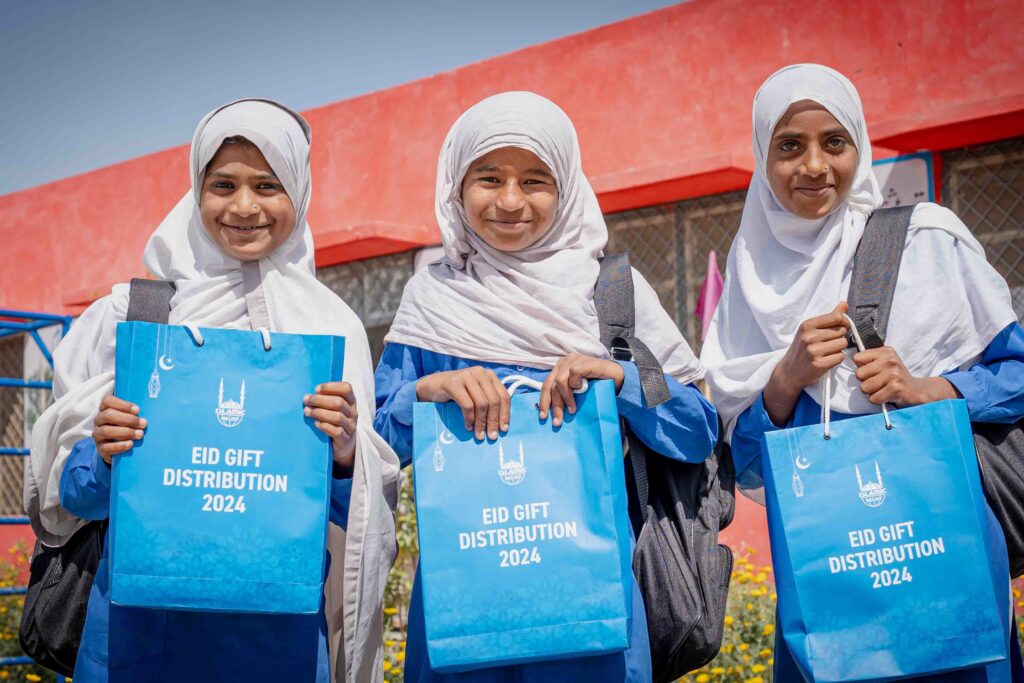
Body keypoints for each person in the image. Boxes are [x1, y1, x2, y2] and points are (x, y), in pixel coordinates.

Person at [25, 99, 400, 683]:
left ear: (298, 194)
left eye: (268, 185)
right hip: (138, 642)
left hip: (277, 648)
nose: (244, 206)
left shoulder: (330, 328)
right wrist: (101, 453)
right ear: (196, 187)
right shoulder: (134, 316)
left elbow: (355, 518)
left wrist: (348, 453)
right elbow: (69, 501)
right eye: (223, 184)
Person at [373, 91, 717, 682]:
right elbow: (378, 444)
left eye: (535, 180)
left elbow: (697, 433)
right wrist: (425, 392)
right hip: (465, 602)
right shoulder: (432, 299)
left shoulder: (614, 293)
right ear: (456, 186)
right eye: (488, 178)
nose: (510, 202)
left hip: (592, 610)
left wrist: (620, 378)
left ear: (567, 189)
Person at [700, 63, 1024, 681]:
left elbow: (1017, 371)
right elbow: (740, 461)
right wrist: (784, 379)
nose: (814, 166)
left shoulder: (928, 238)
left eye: (835, 142)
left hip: (940, 534)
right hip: (828, 558)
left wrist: (931, 389)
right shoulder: (750, 274)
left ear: (861, 146)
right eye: (789, 146)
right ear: (762, 159)